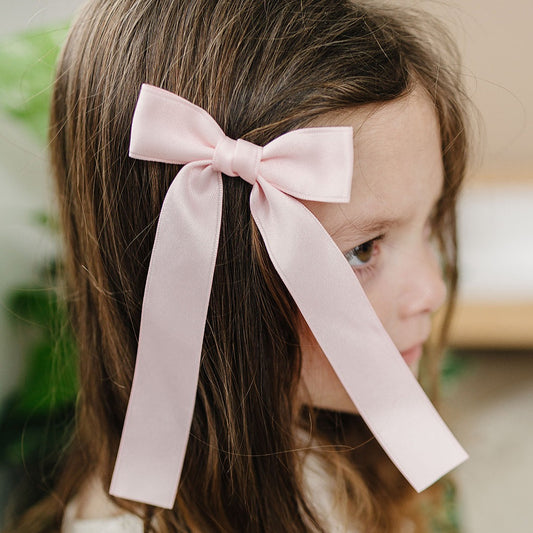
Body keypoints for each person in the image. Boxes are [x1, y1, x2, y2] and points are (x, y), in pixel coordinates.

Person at [5, 0, 472, 532]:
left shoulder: (320, 457)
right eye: (362, 250)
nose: (432, 288)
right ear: (204, 276)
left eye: (432, 222)